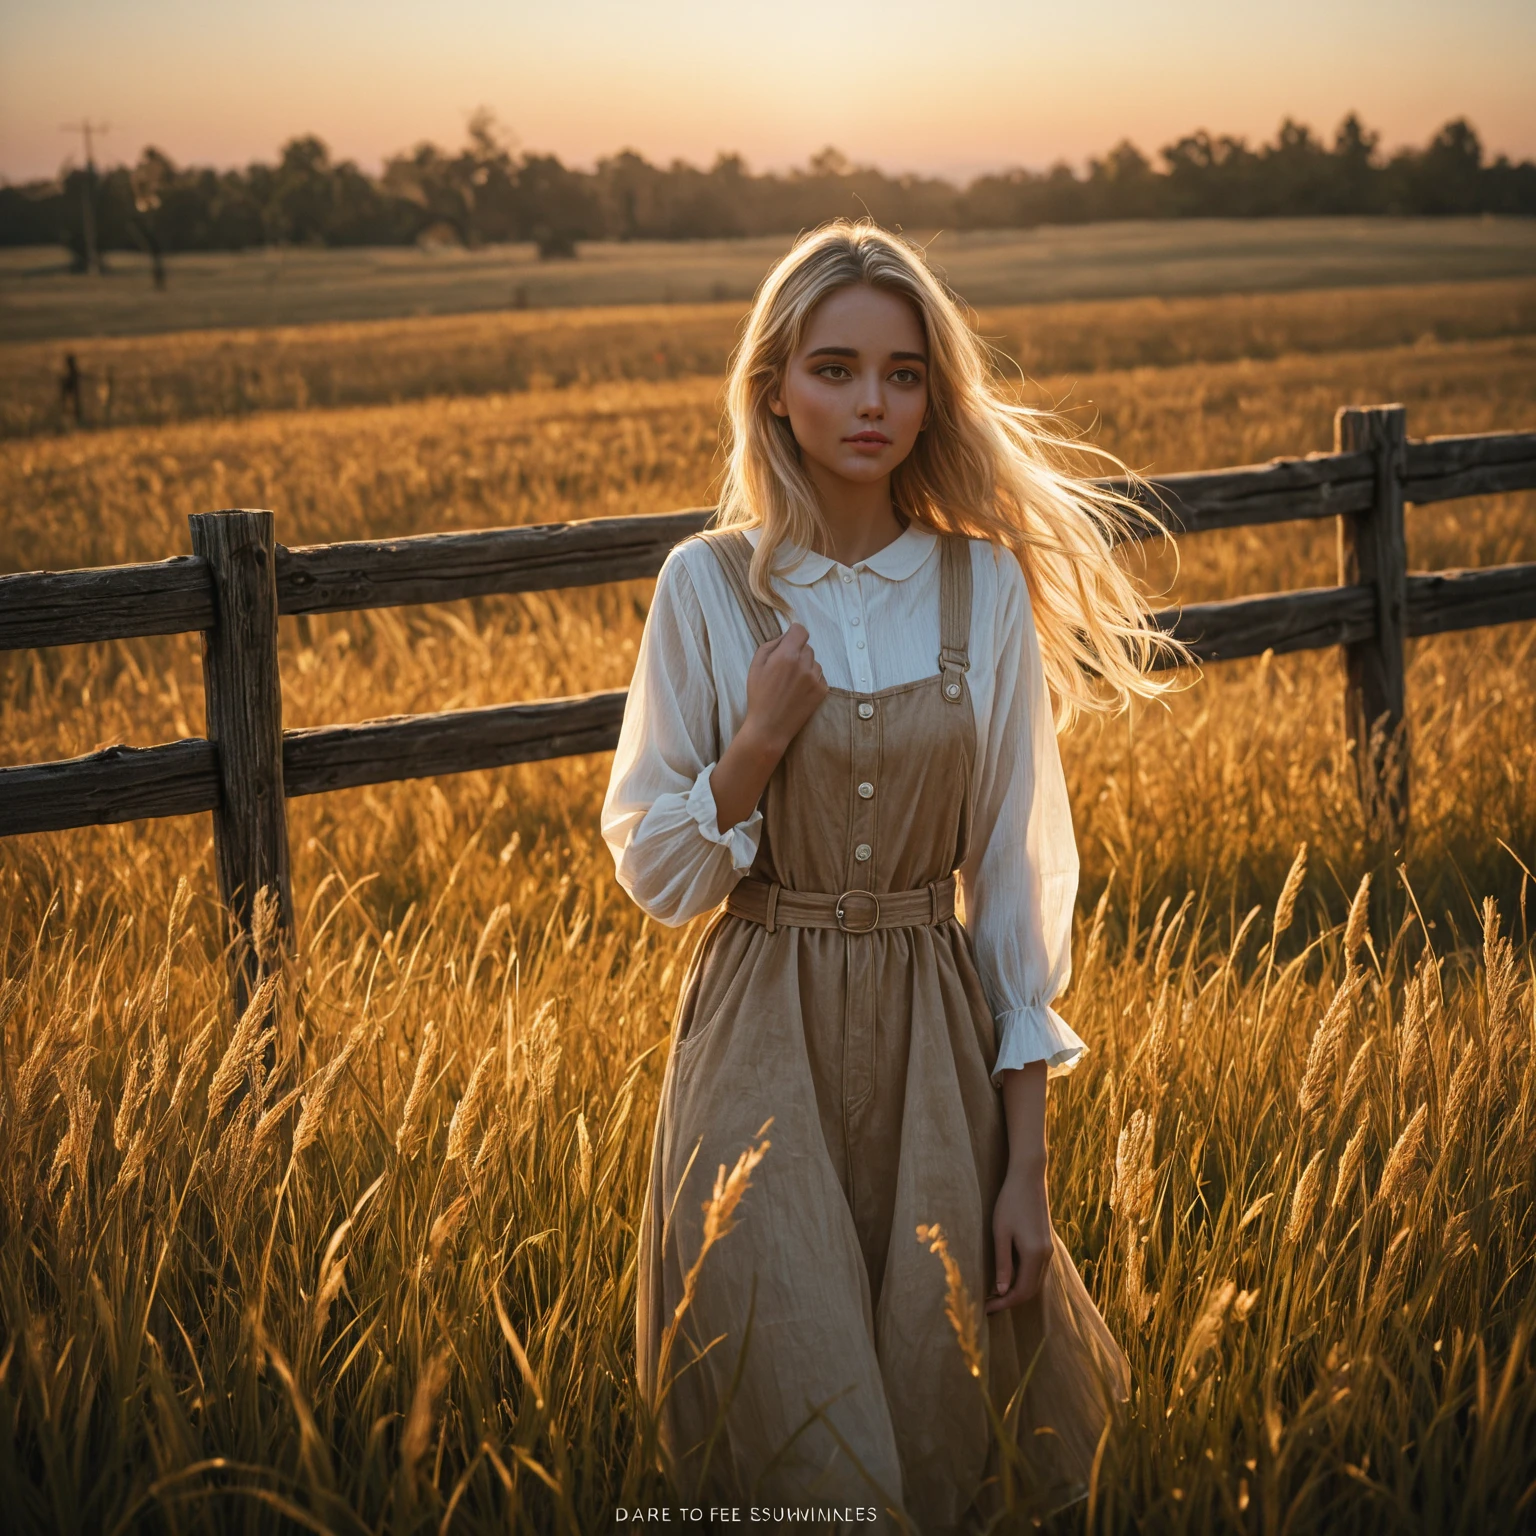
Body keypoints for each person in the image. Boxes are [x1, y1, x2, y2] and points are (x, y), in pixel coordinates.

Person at [601, 221, 1182, 1529]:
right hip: (759, 1050)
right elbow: (660, 873)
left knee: (942, 1419)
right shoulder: (705, 588)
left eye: (905, 374)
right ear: (774, 387)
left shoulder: (983, 587)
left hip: (940, 1051)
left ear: (936, 394)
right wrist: (754, 743)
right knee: (790, 1430)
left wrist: (1025, 1173)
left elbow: (1023, 889)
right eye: (838, 368)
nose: (873, 403)